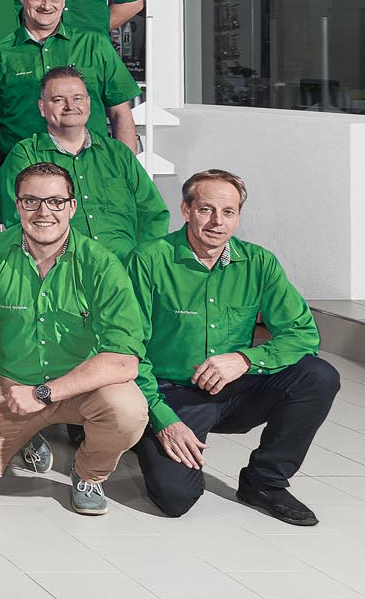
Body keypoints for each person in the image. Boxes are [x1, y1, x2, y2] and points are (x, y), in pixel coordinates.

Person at [129, 169, 340, 525]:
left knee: (318, 376)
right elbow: (126, 350)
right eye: (206, 209)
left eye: (228, 212)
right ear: (185, 209)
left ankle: (265, 481)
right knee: (175, 498)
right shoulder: (149, 260)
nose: (217, 222)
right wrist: (163, 419)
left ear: (238, 216)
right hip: (170, 394)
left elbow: (303, 334)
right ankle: (143, 434)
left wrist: (244, 359)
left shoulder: (259, 263)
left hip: (235, 389)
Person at [0, 162, 150, 514]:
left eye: (55, 202)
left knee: (128, 411)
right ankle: (26, 434)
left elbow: (124, 360)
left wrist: (43, 394)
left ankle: (89, 474)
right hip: (9, 388)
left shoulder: (101, 264)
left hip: (79, 388)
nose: (43, 212)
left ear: (72, 206)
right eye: (31, 201)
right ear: (17, 205)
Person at [0, 67, 167, 261]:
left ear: (88, 103)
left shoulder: (119, 154)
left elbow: (153, 214)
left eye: (77, 98)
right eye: (59, 100)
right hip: (62, 270)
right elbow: (16, 220)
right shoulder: (25, 155)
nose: (70, 106)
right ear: (42, 107)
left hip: (124, 268)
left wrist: (142, 263)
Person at [0, 0, 140, 159]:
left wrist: (128, 169)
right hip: (23, 168)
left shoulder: (95, 45)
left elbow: (120, 113)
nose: (46, 6)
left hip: (89, 164)